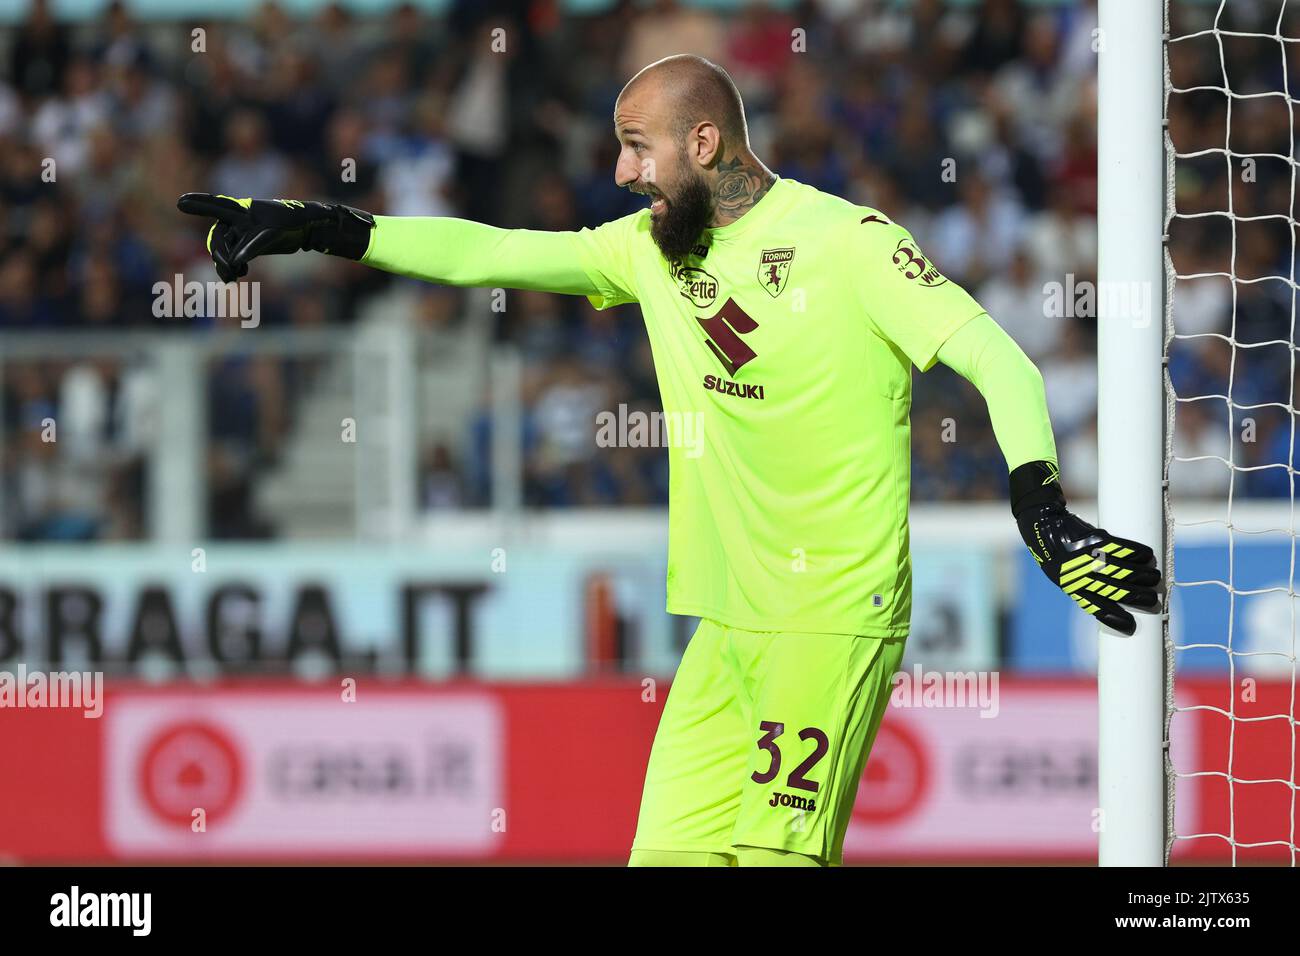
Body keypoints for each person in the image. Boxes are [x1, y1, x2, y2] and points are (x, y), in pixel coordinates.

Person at [178, 54, 1162, 867]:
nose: (619, 171)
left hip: (831, 614)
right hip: (727, 620)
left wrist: (1040, 505)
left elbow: (1000, 359)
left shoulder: (849, 244)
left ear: (704, 142)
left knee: (775, 855)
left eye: (636, 147)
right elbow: (499, 253)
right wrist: (329, 227)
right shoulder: (650, 249)